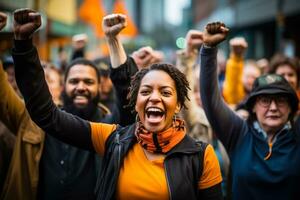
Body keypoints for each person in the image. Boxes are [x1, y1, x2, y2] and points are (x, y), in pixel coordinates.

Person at [12, 9, 223, 200]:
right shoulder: (115, 139)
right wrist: (23, 45)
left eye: (166, 92)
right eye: (146, 91)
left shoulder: (201, 156)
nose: (154, 98)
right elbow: (48, 116)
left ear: (178, 105)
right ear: (136, 102)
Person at [200, 21, 300, 200]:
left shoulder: (297, 134)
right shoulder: (239, 133)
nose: (273, 107)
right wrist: (208, 49)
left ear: (292, 106)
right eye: (265, 100)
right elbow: (211, 100)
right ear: (253, 105)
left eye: (281, 100)